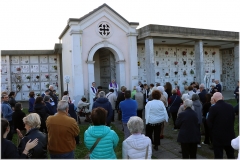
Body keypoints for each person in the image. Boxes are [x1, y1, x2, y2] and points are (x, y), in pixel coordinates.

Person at [207, 92, 235, 159]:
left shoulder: (213, 108)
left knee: (218, 156)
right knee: (231, 155)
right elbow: (233, 119)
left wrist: (212, 131)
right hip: (229, 135)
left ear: (213, 99)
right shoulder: (230, 106)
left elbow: (209, 122)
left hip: (218, 136)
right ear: (222, 97)